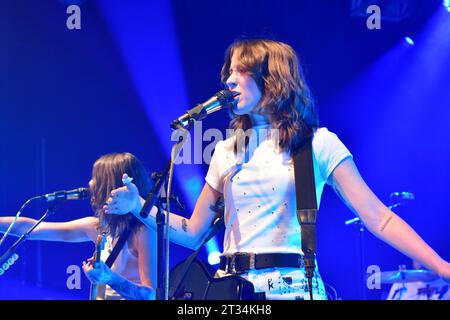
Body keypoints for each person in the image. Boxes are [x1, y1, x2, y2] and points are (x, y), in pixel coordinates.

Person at [104, 39, 450, 300]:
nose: (229, 79)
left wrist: (442, 268)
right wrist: (139, 208)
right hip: (230, 288)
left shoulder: (316, 143)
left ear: (273, 79)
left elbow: (380, 217)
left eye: (241, 71)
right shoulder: (228, 150)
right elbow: (193, 231)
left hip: (291, 287)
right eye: (229, 71)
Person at [0, 152, 157, 300]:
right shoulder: (97, 227)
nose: (90, 183)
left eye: (97, 178)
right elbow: (33, 229)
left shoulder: (143, 232)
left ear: (111, 186)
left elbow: (151, 295)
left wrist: (109, 277)